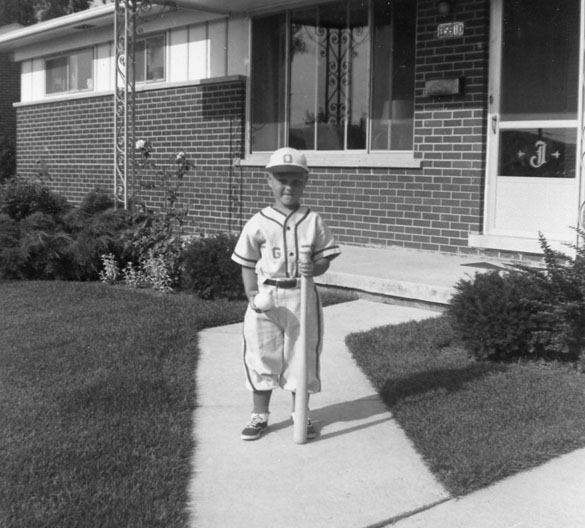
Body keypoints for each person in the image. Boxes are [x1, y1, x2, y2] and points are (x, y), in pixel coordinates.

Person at [231, 147, 341, 441]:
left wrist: (314, 267)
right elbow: (246, 261)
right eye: (281, 179)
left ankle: (299, 415)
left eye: (295, 179)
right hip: (267, 297)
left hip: (301, 295)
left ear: (306, 181)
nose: (288, 186)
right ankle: (260, 415)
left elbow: (325, 258)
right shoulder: (258, 221)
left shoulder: (313, 220)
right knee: (261, 353)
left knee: (301, 355)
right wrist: (251, 294)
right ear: (268, 180)